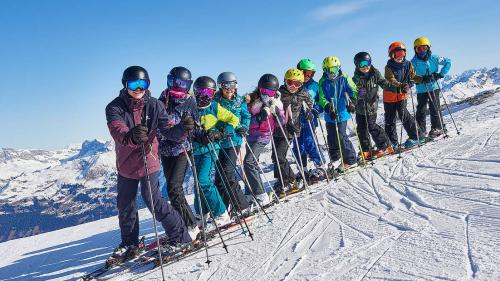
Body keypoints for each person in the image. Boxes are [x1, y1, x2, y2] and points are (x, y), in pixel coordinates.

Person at [105, 66, 191, 262]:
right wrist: (130, 136)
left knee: (154, 201)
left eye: (143, 84)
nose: (138, 88)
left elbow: (169, 130)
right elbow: (117, 130)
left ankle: (181, 237)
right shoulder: (114, 107)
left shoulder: (154, 105)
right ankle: (130, 243)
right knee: (125, 204)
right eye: (134, 84)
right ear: (125, 85)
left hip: (148, 160)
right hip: (126, 164)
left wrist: (182, 129)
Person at [157, 66, 200, 239]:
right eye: (173, 82)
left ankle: (191, 226)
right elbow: (158, 127)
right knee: (171, 188)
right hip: (166, 151)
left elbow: (195, 125)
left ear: (188, 85)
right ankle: (183, 223)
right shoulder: (161, 101)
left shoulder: (190, 102)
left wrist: (196, 131)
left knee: (175, 188)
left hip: (183, 149)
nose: (176, 87)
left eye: (182, 84)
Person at [191, 76, 239, 226]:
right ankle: (201, 213)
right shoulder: (190, 107)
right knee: (198, 183)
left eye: (210, 93)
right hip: (194, 150)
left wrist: (220, 132)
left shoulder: (214, 107)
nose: (206, 96)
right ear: (195, 91)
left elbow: (234, 120)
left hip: (210, 149)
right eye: (203, 92)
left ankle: (221, 213)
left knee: (203, 180)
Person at [213, 72, 251, 216]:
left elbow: (246, 116)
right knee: (219, 178)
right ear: (220, 86)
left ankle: (242, 206)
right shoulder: (215, 101)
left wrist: (244, 127)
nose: (229, 88)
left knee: (228, 174)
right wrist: (217, 130)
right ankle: (224, 209)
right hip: (218, 141)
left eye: (233, 85)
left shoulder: (239, 100)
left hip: (233, 140)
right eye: (226, 85)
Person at [244, 74, 284, 200]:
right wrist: (259, 116)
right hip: (250, 136)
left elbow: (281, 122)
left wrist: (277, 109)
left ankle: (261, 195)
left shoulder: (275, 103)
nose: (267, 94)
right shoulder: (251, 100)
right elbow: (245, 119)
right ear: (259, 89)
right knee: (250, 164)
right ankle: (250, 193)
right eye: (264, 91)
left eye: (271, 92)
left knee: (249, 162)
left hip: (263, 136)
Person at [273, 69, 313, 192]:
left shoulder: (303, 93)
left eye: (297, 84)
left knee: (279, 156)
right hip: (277, 128)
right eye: (290, 82)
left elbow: (309, 104)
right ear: (285, 80)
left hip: (291, 128)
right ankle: (282, 180)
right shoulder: (279, 93)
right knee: (275, 156)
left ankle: (292, 180)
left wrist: (309, 112)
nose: (293, 87)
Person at [317, 56, 359, 172]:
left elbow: (353, 90)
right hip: (330, 114)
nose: (331, 73)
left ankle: (350, 160)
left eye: (334, 69)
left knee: (341, 135)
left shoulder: (344, 78)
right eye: (328, 70)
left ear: (339, 68)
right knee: (331, 137)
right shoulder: (323, 82)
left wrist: (352, 102)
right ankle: (336, 158)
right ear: (324, 70)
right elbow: (322, 97)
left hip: (342, 111)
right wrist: (328, 106)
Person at [352, 52, 394, 159]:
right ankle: (366, 150)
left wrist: (395, 88)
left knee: (372, 126)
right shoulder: (355, 78)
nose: (365, 66)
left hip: (371, 106)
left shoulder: (375, 74)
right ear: (357, 65)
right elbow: (353, 92)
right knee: (361, 129)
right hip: (360, 108)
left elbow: (384, 83)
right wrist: (358, 94)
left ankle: (385, 146)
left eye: (367, 63)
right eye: (362, 64)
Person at [383, 41, 426, 149]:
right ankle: (392, 142)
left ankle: (417, 136)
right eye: (397, 54)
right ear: (392, 55)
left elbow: (413, 76)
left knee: (403, 114)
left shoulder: (408, 64)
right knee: (390, 118)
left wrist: (422, 79)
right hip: (390, 95)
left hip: (402, 94)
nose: (400, 56)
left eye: (402, 53)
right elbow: (390, 79)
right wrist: (401, 85)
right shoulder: (388, 66)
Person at [411, 37, 452, 138]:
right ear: (415, 50)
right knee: (421, 109)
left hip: (434, 87)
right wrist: (420, 79)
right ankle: (421, 130)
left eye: (424, 48)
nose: (421, 51)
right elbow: (411, 75)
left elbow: (448, 62)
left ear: (428, 48)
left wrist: (440, 74)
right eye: (418, 49)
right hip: (421, 89)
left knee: (434, 107)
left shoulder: (434, 58)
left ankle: (437, 127)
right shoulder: (413, 62)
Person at [293, 59, 326, 183]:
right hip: (295, 121)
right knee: (297, 146)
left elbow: (321, 101)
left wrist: (316, 110)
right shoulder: (293, 84)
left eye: (311, 74)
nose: (308, 76)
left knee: (309, 142)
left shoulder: (315, 86)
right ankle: (303, 169)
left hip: (309, 119)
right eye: (305, 73)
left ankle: (320, 165)